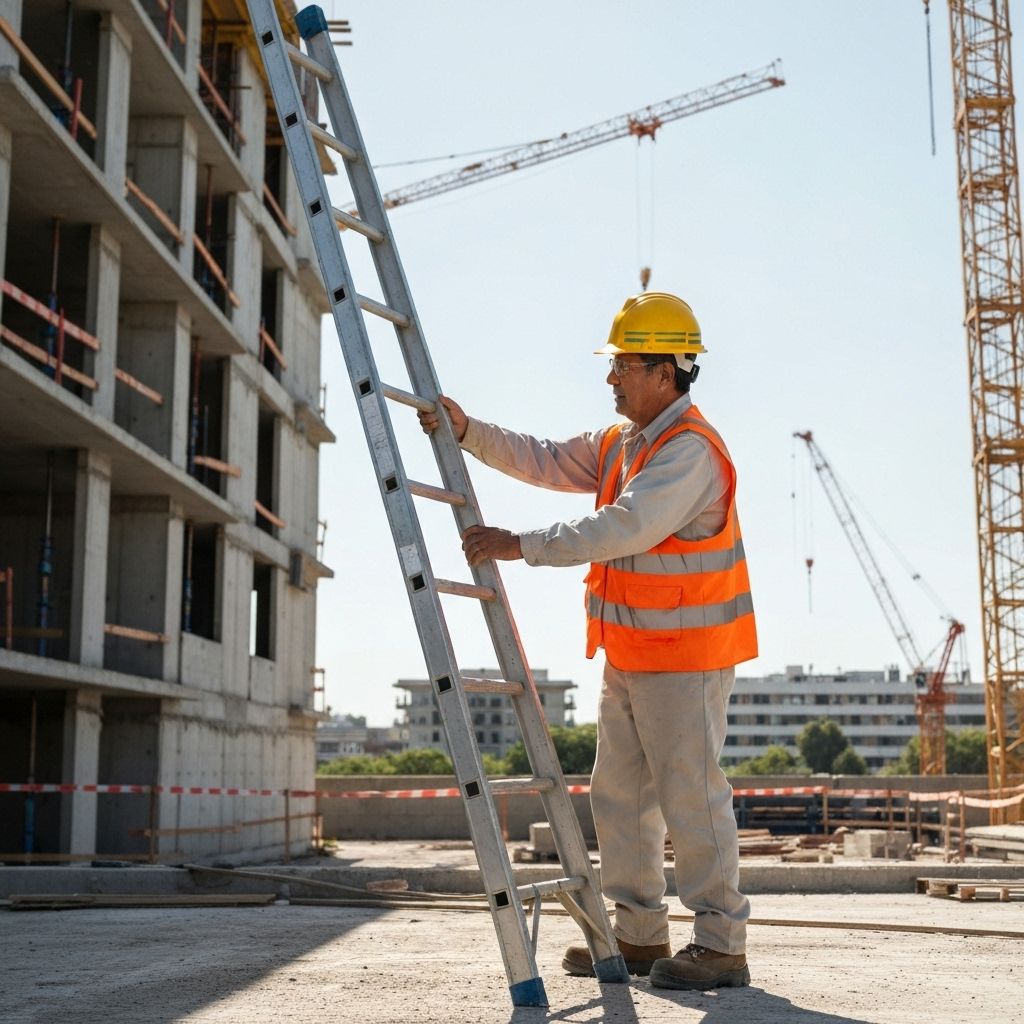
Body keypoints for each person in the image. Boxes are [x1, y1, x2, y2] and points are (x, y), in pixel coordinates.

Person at [417, 292, 757, 991]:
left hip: (686, 661)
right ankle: (637, 936)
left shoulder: (688, 450)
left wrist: (522, 545)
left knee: (691, 797)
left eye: (624, 366)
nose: (611, 378)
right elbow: (544, 458)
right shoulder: (622, 445)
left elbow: (623, 527)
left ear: (666, 373)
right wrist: (468, 430)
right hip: (632, 656)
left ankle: (721, 945)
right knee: (620, 798)